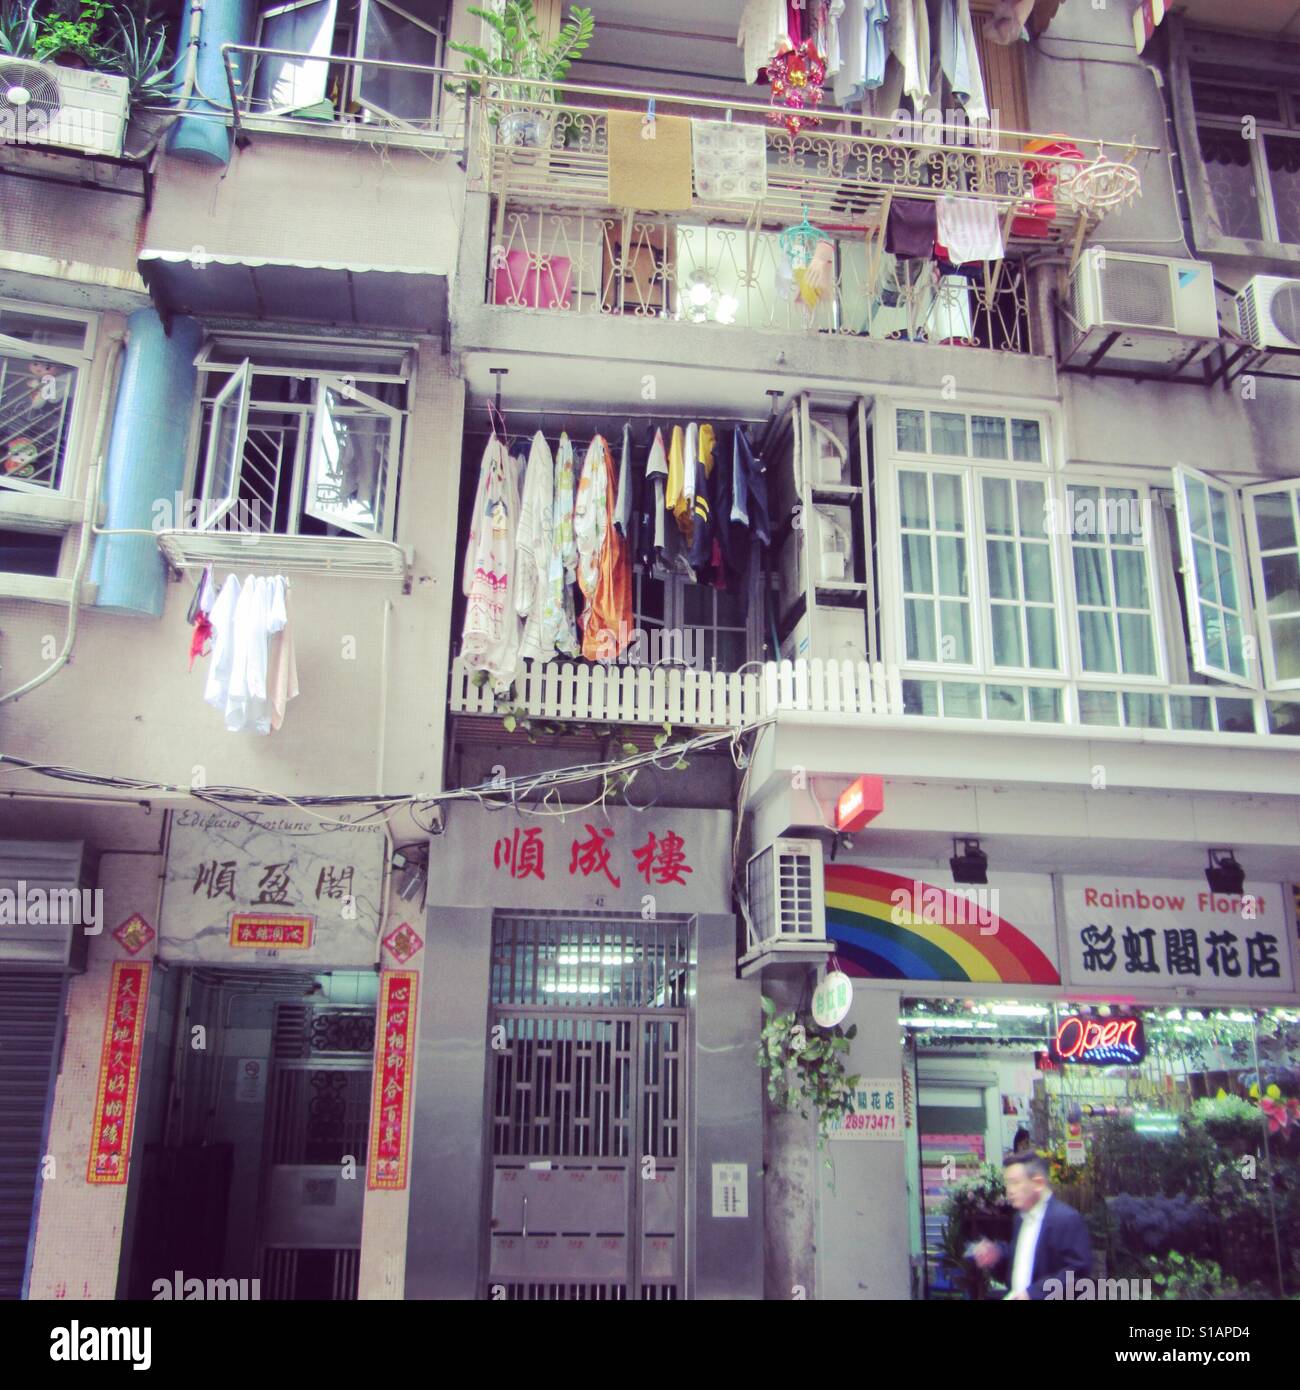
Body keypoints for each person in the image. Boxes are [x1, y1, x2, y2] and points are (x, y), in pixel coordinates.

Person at [971, 1150, 1092, 1300]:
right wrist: (996, 1255)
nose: (1009, 1191)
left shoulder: (1066, 1218)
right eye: (1007, 1183)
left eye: (1015, 1182)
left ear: (1038, 1183)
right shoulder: (1019, 1218)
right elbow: (1023, 1260)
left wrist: (1033, 1294)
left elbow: (1077, 1273)